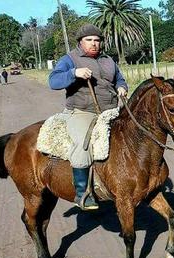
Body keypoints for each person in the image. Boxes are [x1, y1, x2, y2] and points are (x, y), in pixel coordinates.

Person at [49, 23, 128, 211]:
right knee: (83, 144)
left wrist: (122, 87)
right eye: (89, 40)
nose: (94, 44)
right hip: (82, 111)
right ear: (80, 42)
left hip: (110, 110)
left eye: (97, 40)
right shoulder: (70, 59)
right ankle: (82, 193)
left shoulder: (109, 60)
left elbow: (119, 78)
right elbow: (53, 81)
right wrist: (74, 73)